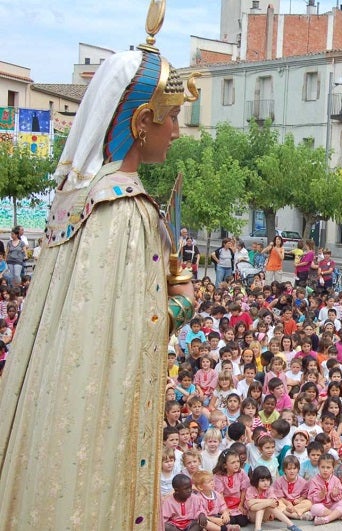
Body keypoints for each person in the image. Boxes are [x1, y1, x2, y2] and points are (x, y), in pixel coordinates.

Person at [0, 7, 198, 528]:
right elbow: (138, 331)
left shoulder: (76, 198)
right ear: (140, 122)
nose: (176, 131)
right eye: (171, 116)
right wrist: (182, 302)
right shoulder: (125, 209)